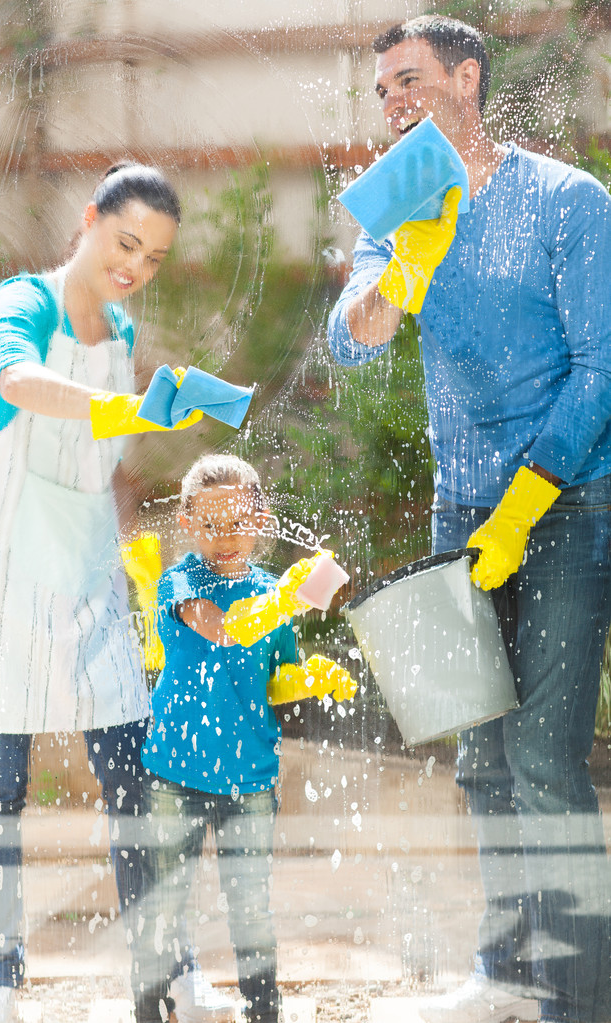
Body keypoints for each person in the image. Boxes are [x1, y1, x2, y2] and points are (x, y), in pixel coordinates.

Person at [328, 15, 611, 1023]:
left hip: (568, 506)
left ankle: (579, 1000)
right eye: (382, 93)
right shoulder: (398, 214)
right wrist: (398, 273)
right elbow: (351, 340)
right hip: (461, 512)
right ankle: (504, 976)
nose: (393, 102)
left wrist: (532, 492)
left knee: (542, 758)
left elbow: (600, 368)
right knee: (481, 759)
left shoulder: (569, 201)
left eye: (408, 81)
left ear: (467, 77)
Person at [0, 161, 214, 1023]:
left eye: (154, 256)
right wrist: (112, 410)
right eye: (125, 242)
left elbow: (104, 467)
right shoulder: (21, 304)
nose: (134, 266)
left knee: (133, 773)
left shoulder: (120, 328)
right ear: (89, 221)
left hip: (85, 560)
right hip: (4, 563)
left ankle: (170, 970)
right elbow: (16, 381)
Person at [130, 454, 357, 1023]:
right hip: (175, 776)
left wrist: (308, 678)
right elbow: (219, 627)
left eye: (235, 523)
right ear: (186, 522)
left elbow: (270, 679)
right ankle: (146, 1009)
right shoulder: (179, 582)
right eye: (209, 526)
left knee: (250, 905)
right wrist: (282, 600)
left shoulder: (269, 594)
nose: (223, 537)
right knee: (164, 904)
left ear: (260, 520)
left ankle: (264, 1011)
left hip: (250, 778)